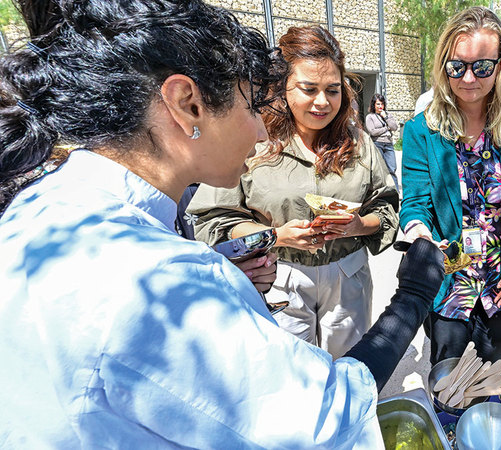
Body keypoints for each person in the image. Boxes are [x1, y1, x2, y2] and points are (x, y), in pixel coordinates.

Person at [0, 1, 444, 447]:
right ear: (187, 104)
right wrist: (414, 295)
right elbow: (323, 419)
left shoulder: (47, 204)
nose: (261, 132)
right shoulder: (159, 280)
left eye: (334, 90)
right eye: (253, 106)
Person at [188, 26, 399, 359]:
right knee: (291, 376)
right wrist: (274, 236)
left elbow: (386, 208)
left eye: (332, 90)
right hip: (279, 274)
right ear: (282, 88)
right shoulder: (254, 143)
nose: (322, 102)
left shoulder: (358, 142)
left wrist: (358, 225)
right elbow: (215, 217)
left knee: (351, 371)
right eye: (308, 88)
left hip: (348, 275)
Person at [401, 6, 501, 366]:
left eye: (482, 66)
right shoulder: (421, 131)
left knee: (492, 385)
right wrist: (420, 235)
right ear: (443, 65)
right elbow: (415, 203)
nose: (468, 78)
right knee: (448, 389)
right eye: (456, 66)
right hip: (449, 284)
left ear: (500, 65)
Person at [365, 93, 400, 190]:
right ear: (374, 105)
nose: (380, 106)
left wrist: (386, 117)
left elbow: (394, 127)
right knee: (379, 170)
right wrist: (386, 128)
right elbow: (372, 132)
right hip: (377, 144)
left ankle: (395, 192)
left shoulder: (388, 115)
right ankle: (382, 192)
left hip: (388, 144)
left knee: (392, 168)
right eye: (378, 104)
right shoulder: (370, 117)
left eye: (382, 104)